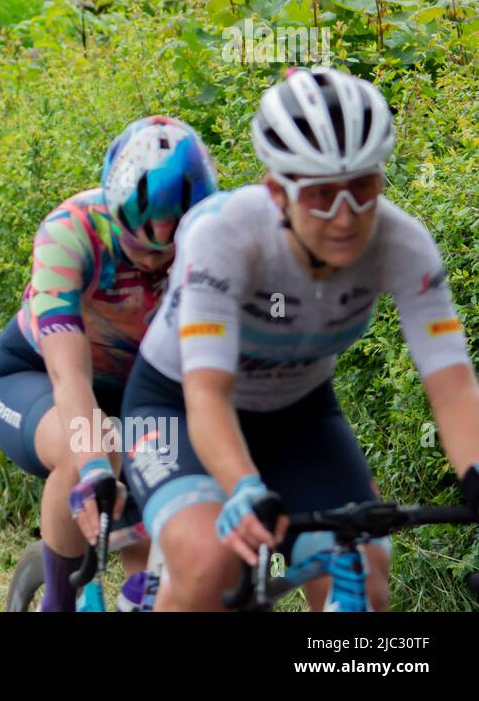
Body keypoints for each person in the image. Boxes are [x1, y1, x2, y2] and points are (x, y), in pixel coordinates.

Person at [121, 67, 479, 611]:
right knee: (208, 562)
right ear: (276, 190)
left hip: (298, 415)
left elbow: (452, 385)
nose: (346, 216)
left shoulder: (404, 243)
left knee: (362, 572)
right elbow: (207, 393)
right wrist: (243, 487)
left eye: (362, 187)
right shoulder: (226, 236)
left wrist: (475, 475)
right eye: (319, 195)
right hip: (177, 406)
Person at [0, 115, 218, 611]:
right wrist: (93, 469)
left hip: (145, 394)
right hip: (36, 377)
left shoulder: (217, 239)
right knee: (91, 445)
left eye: (172, 244)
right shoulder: (71, 230)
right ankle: (59, 604)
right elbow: (70, 375)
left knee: (161, 508)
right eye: (142, 240)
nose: (156, 259)